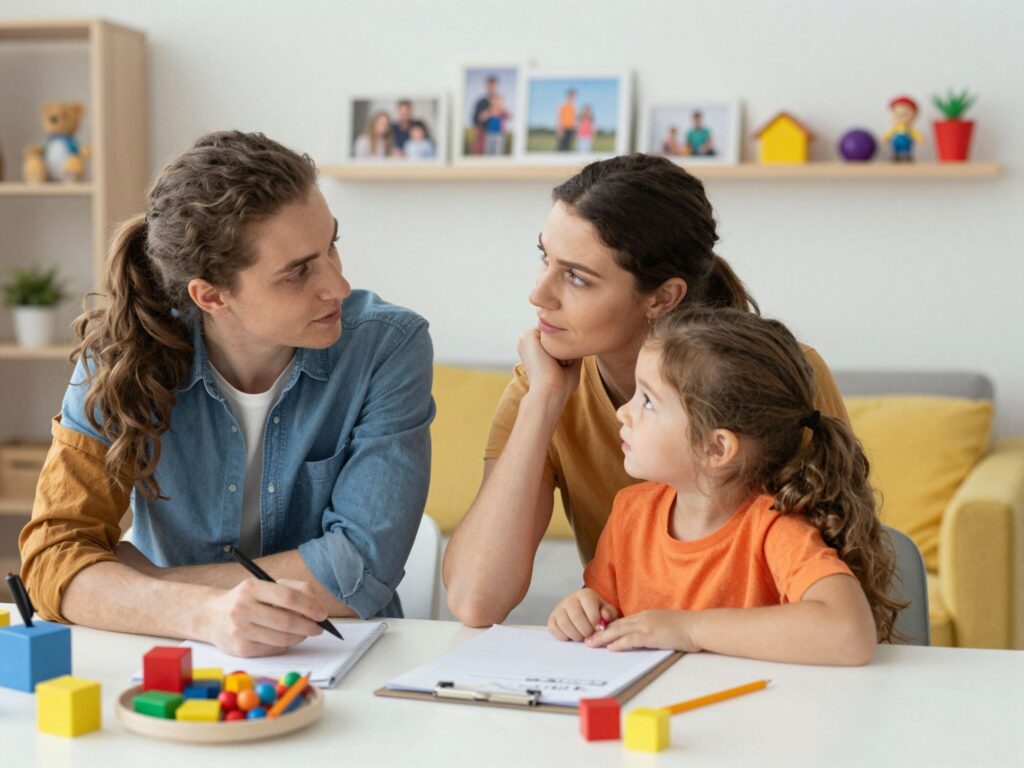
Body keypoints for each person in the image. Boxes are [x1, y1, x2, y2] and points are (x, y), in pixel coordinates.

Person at [19, 131, 434, 657]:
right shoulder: (119, 357)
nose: (338, 286)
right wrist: (199, 614)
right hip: (173, 650)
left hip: (338, 653)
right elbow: (53, 556)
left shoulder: (388, 347)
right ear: (211, 296)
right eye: (298, 273)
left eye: (331, 245)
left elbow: (361, 570)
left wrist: (148, 585)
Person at [443, 154, 850, 627]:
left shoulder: (782, 378)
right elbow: (475, 602)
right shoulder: (540, 387)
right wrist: (543, 401)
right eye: (544, 258)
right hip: (637, 653)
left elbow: (840, 588)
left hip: (771, 656)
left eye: (576, 277)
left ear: (662, 297)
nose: (539, 294)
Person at [548, 308, 903, 665]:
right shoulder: (631, 512)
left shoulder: (774, 528)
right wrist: (582, 609)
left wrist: (687, 630)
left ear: (716, 448)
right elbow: (604, 609)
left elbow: (849, 634)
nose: (623, 412)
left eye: (648, 401)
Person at [472, 75, 500, 155]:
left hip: (496, 136)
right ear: (486, 86)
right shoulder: (481, 102)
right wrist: (483, 117)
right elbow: (475, 120)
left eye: (493, 86)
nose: (491, 88)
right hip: (482, 135)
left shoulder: (499, 102)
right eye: (489, 85)